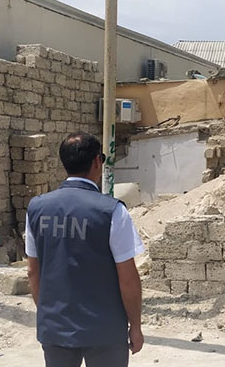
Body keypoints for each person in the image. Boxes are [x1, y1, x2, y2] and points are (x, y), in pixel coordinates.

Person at [25, 132, 146, 367]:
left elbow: (32, 271)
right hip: (105, 331)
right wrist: (136, 326)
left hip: (56, 329)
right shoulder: (112, 211)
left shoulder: (36, 208)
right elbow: (128, 279)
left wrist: (50, 316)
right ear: (97, 162)